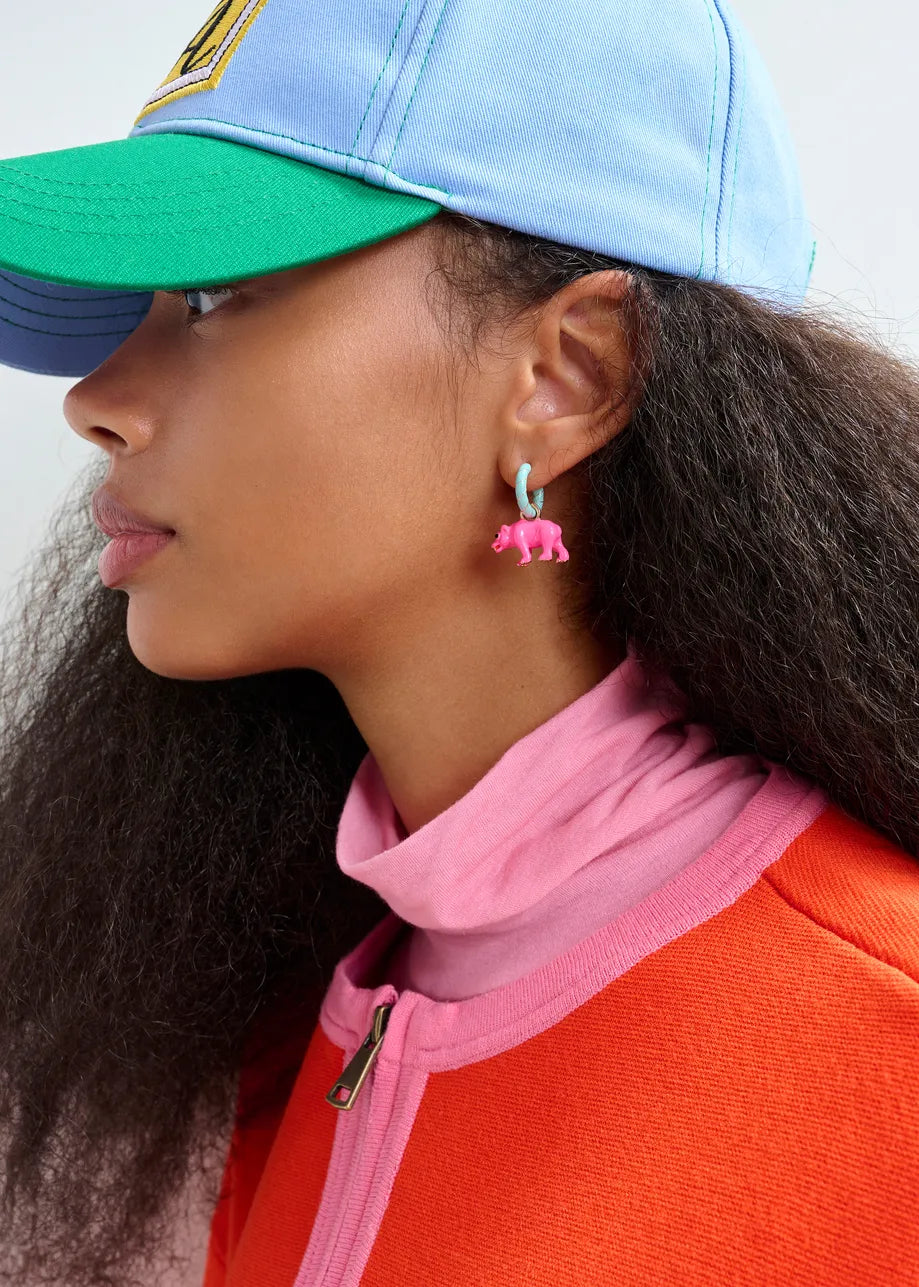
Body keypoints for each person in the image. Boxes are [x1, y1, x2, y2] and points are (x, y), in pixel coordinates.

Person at [0, 0, 916, 1283]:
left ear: (568, 376)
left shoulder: (883, 1038)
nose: (95, 401)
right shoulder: (266, 1029)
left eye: (211, 296)